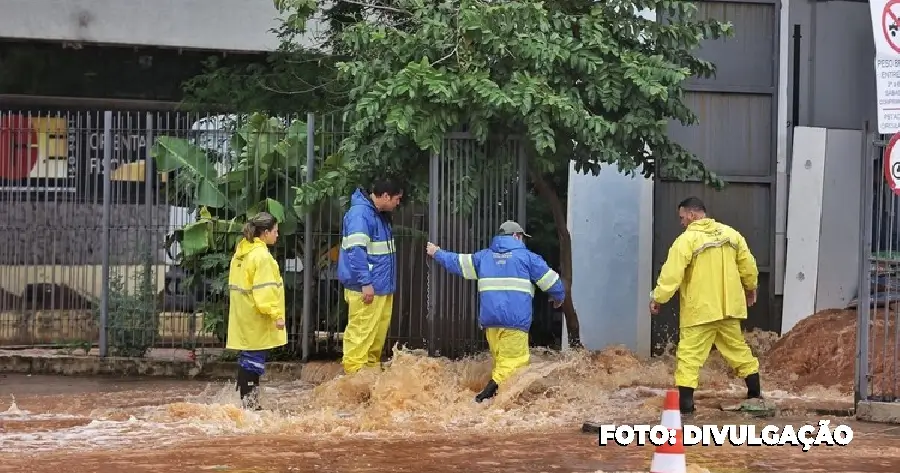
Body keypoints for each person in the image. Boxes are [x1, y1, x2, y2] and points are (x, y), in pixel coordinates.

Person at [426, 220, 566, 403]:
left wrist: (437, 253)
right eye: (522, 238)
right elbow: (553, 282)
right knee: (516, 362)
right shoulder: (528, 258)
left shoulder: (483, 257)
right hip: (515, 322)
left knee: (501, 362)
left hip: (490, 322)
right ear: (516, 236)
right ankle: (485, 396)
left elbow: (457, 262)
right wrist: (558, 298)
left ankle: (500, 402)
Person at [649, 197, 762, 415]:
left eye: (682, 217)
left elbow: (672, 274)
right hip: (729, 308)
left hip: (700, 310)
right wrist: (751, 287)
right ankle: (756, 396)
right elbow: (748, 265)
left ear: (692, 215)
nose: (681, 222)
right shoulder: (731, 234)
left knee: (689, 356)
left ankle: (686, 408)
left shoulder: (686, 240)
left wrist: (658, 298)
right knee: (738, 350)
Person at [337, 178, 404, 374]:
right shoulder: (361, 215)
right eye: (397, 199)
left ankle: (369, 380)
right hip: (367, 288)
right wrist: (365, 282)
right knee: (360, 337)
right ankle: (353, 382)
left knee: (374, 339)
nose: (398, 203)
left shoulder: (376, 214)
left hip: (380, 287)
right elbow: (356, 251)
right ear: (385, 196)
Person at [226, 211, 286, 411]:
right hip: (256, 315)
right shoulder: (261, 257)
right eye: (275, 231)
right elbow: (265, 291)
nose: (277, 235)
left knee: (248, 358)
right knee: (254, 360)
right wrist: (277, 315)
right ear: (265, 232)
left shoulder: (242, 251)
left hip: (243, 313)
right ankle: (250, 407)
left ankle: (245, 403)